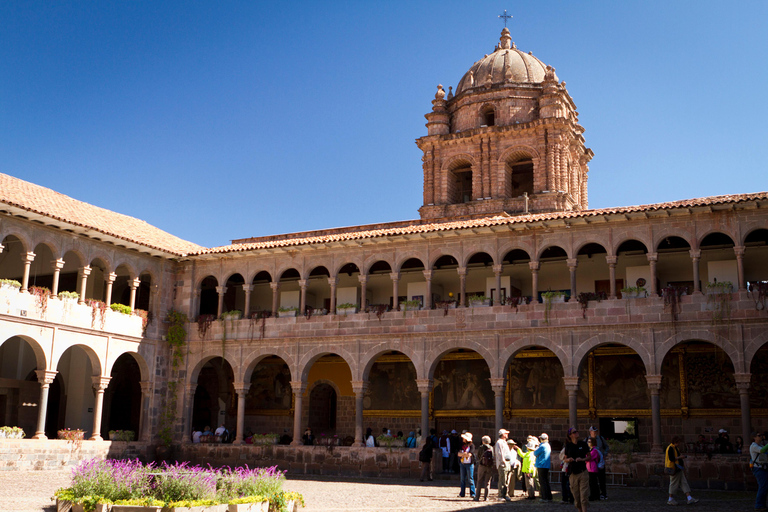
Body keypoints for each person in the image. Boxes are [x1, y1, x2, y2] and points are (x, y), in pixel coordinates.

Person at [563, 427, 592, 512]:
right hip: (573, 474)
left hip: (583, 472)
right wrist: (569, 460)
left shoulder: (583, 444)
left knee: (584, 496)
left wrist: (582, 459)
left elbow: (589, 456)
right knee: (576, 496)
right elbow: (565, 459)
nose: (577, 433)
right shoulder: (568, 446)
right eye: (574, 432)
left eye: (577, 431)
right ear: (570, 435)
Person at [665, 435, 699, 505]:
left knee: (683, 482)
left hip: (678, 468)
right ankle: (670, 499)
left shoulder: (675, 448)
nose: (679, 444)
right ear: (675, 442)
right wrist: (680, 457)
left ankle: (689, 498)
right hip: (673, 468)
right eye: (678, 442)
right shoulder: (670, 448)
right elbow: (671, 458)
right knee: (673, 483)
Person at [750, 431, 768, 511]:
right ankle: (759, 505)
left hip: (763, 468)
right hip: (758, 468)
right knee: (763, 486)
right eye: (759, 435)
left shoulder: (760, 445)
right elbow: (763, 450)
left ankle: (762, 505)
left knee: (765, 486)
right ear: (754, 437)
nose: (760, 436)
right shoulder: (753, 446)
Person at [494, 428, 513, 502]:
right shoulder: (499, 442)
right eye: (506, 433)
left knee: (506, 480)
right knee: (502, 480)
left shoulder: (504, 442)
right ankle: (501, 495)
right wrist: (503, 461)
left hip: (507, 463)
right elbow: (499, 453)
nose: (507, 434)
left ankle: (505, 494)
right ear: (503, 434)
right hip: (503, 463)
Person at [474, 435, 494, 501]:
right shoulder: (491, 448)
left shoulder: (481, 447)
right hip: (489, 467)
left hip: (482, 466)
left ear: (483, 441)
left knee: (479, 481)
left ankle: (477, 497)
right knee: (487, 482)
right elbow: (493, 456)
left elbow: (478, 456)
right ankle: (486, 497)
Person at [533, 433, 552, 502]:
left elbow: (535, 453)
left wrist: (537, 446)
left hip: (541, 465)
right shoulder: (548, 445)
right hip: (546, 465)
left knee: (542, 482)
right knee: (546, 481)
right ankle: (549, 496)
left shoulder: (542, 446)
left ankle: (545, 497)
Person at [458, 432, 476, 498]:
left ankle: (473, 493)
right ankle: (462, 493)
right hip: (463, 463)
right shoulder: (462, 446)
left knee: (470, 479)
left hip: (469, 464)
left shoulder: (472, 446)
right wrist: (464, 454)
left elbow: (470, 454)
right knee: (462, 479)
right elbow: (458, 454)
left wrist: (463, 454)